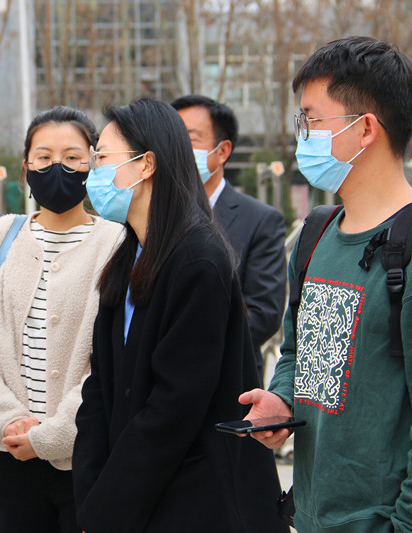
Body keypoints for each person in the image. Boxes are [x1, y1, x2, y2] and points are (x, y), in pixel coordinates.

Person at [240, 37, 412, 532]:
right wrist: (283, 399)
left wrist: (410, 525)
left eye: (311, 118)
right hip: (311, 518)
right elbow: (297, 351)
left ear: (364, 128)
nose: (301, 134)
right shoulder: (318, 232)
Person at [72, 99, 288, 533]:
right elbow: (101, 387)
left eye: (103, 157)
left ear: (146, 163)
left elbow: (174, 408)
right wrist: (92, 489)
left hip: (193, 500)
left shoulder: (197, 260)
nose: (92, 171)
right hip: (134, 495)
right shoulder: (128, 255)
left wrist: (109, 503)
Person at [0, 106, 123, 533]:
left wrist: (53, 435)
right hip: (10, 457)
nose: (56, 167)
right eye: (43, 157)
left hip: (88, 455)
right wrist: (9, 421)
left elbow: (114, 359)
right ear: (25, 166)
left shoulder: (116, 244)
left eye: (73, 157)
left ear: (93, 163)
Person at [171, 94, 286, 378]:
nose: (177, 149)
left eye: (190, 139)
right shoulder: (154, 216)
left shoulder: (260, 220)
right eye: (172, 139)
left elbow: (263, 315)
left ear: (222, 151)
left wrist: (176, 340)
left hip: (229, 382)